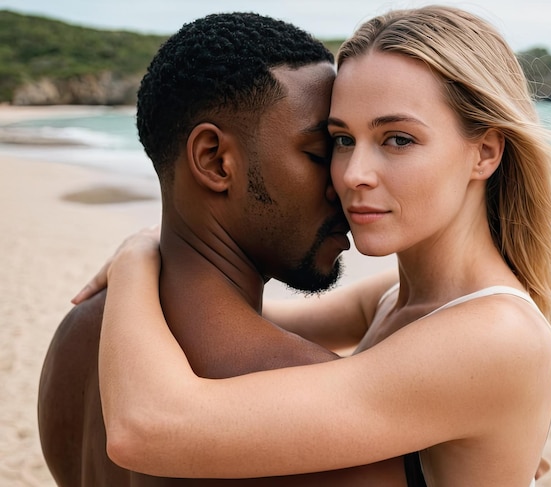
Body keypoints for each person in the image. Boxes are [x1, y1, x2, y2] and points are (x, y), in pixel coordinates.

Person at [91, 5, 551, 486]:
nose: (353, 175)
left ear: (484, 152)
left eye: (398, 139)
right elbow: (220, 328)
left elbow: (146, 429)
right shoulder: (394, 296)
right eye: (341, 140)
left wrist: (137, 259)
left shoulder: (493, 337)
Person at [38, 12, 406, 486]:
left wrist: (138, 251)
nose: (344, 180)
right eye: (322, 152)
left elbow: (383, 300)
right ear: (214, 160)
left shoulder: (85, 326)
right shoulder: (287, 390)